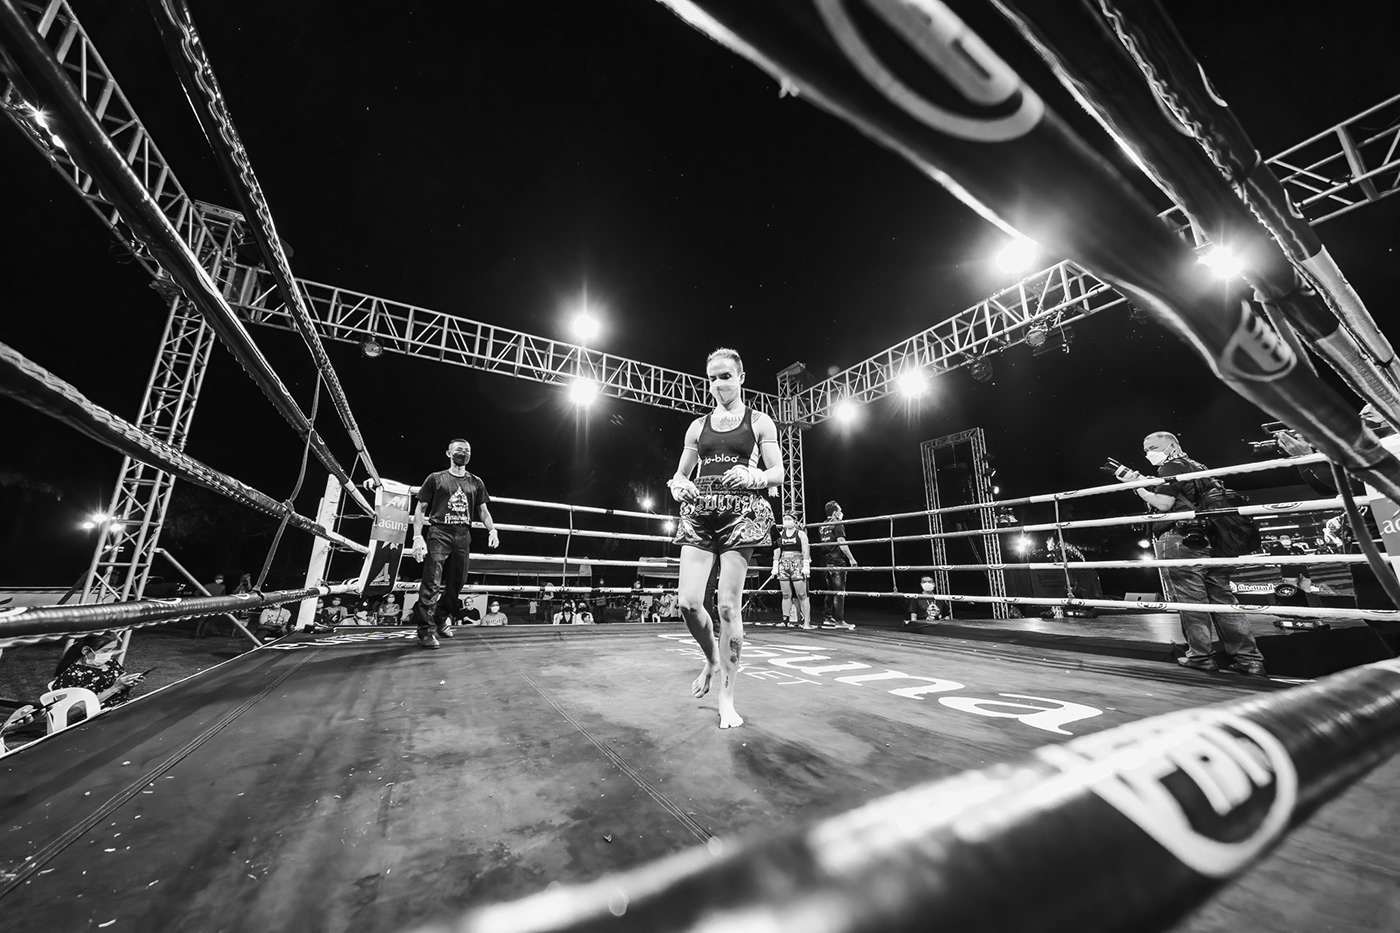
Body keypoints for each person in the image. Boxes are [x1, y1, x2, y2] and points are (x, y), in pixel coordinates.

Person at [667, 347, 783, 730]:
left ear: (741, 377)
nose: (719, 384)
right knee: (687, 603)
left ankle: (727, 696)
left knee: (729, 608)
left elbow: (778, 472)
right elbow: (679, 476)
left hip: (741, 515)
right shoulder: (697, 427)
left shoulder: (760, 421)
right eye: (713, 378)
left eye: (726, 376)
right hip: (700, 514)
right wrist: (678, 487)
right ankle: (712, 659)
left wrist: (755, 477)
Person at [1115, 431, 1267, 675]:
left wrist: (1136, 487)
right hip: (1214, 539)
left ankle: (1201, 657)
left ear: (1172, 445)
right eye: (1145, 450)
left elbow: (1164, 504)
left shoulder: (1170, 467)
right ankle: (1250, 660)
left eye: (1153, 447)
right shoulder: (1198, 466)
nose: (1148, 453)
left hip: (1181, 539)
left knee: (1191, 601)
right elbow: (1185, 496)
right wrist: (1146, 482)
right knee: (1224, 601)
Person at [409, 438, 500, 649]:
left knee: (457, 583)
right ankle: (425, 631)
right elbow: (420, 509)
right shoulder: (436, 478)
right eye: (459, 450)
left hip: (463, 534)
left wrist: (492, 529)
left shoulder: (476, 482)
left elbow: (483, 511)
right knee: (431, 582)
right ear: (449, 454)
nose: (463, 453)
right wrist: (417, 536)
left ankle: (440, 618)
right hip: (439, 531)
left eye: (466, 451)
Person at [52, 633, 146, 706]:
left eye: (112, 649)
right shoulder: (71, 675)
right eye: (106, 651)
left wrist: (128, 684)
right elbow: (70, 712)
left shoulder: (110, 663)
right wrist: (115, 688)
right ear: (85, 650)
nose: (110, 654)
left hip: (122, 708)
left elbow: (122, 692)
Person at [815, 501, 858, 629]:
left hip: (824, 561)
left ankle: (827, 618)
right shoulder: (837, 523)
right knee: (839, 592)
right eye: (839, 510)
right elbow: (841, 542)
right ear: (835, 512)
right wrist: (852, 559)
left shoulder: (821, 526)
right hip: (836, 561)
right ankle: (839, 621)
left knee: (829, 591)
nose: (841, 513)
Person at [768, 512, 812, 628]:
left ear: (795, 521)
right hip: (784, 563)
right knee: (786, 594)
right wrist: (775, 565)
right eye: (785, 519)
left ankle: (806, 622)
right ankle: (785, 620)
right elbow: (777, 551)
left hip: (797, 564)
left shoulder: (801, 534)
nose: (786, 521)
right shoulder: (781, 535)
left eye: (789, 519)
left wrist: (806, 564)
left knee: (802, 594)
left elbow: (805, 549)